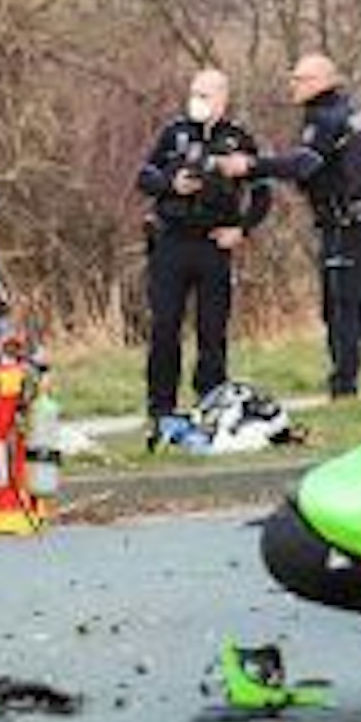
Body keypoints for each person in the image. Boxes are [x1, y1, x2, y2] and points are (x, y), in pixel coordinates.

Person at [220, 53, 361, 399]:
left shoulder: (325, 117)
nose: (293, 85)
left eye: (300, 79)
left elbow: (304, 164)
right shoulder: (353, 110)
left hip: (346, 223)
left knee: (341, 308)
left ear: (323, 81)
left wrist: (252, 166)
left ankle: (344, 387)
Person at [136, 68, 272, 447]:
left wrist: (242, 229)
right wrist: (170, 183)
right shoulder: (173, 134)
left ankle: (210, 402)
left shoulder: (238, 139)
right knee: (165, 327)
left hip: (213, 244)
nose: (198, 100)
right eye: (194, 93)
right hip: (171, 242)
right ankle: (160, 407)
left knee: (212, 331)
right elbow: (144, 176)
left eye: (206, 95)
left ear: (222, 99)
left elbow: (262, 193)